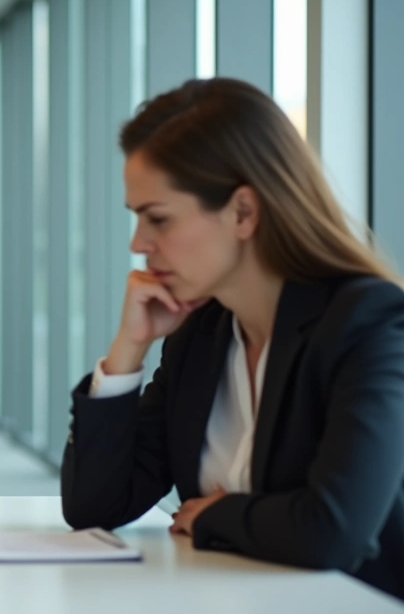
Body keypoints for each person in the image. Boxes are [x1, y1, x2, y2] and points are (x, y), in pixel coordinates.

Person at [60, 77, 404, 600]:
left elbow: (332, 530)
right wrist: (128, 349)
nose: (139, 243)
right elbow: (94, 507)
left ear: (244, 212)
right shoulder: (202, 333)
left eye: (158, 219)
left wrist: (216, 515)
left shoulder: (367, 323)